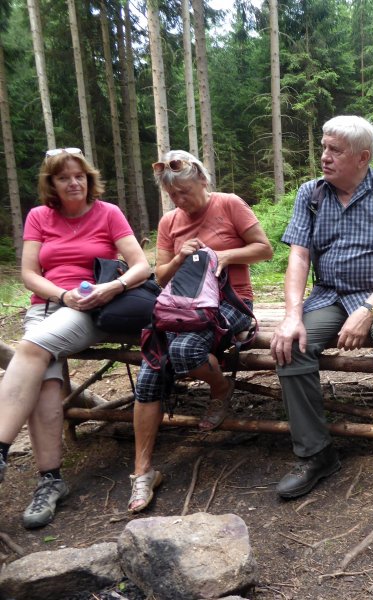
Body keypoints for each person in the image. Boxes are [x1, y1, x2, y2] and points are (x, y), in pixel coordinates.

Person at [270, 115, 373, 501]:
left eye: (334, 150)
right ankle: (316, 454)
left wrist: (368, 309)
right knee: (291, 344)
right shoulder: (310, 195)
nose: (324, 157)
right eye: (324, 147)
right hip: (329, 294)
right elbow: (298, 258)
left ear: (362, 157)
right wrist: (292, 315)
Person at [0, 148, 150, 529]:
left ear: (89, 178)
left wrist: (111, 287)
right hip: (47, 307)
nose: (74, 182)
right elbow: (29, 274)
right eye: (64, 177)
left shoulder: (108, 213)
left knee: (32, 347)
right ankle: (51, 481)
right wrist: (59, 294)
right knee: (46, 382)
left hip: (90, 308)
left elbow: (141, 265)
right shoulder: (39, 216)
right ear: (51, 183)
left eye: (79, 175)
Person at [127, 150, 272, 513]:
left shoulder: (230, 204)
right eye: (173, 196)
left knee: (185, 353)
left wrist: (225, 256)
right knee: (150, 368)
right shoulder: (169, 222)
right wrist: (179, 258)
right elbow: (159, 276)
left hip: (232, 302)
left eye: (185, 192)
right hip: (181, 308)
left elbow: (265, 250)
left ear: (203, 181)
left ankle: (222, 389)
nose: (180, 201)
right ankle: (143, 472)